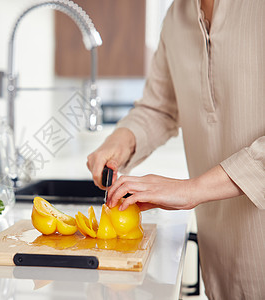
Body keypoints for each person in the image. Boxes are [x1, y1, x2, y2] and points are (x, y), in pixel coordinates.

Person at [86, 0, 264, 299]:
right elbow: (161, 107)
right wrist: (122, 140)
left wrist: (192, 189)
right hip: (222, 259)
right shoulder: (176, 16)